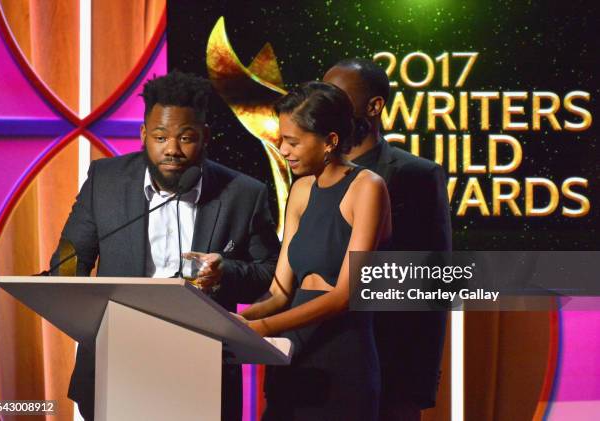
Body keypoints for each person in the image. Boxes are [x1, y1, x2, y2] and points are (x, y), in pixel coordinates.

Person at [50, 71, 281, 421]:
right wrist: (67, 292)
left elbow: (269, 271)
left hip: (202, 367)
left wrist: (225, 273)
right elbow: (70, 257)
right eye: (160, 137)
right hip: (118, 362)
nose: (171, 149)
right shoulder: (106, 181)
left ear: (205, 137)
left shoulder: (244, 194)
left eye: (186, 138)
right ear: (144, 135)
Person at [237, 81, 392, 420]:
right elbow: (279, 292)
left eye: (292, 141)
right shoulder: (301, 190)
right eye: (282, 139)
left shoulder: (367, 188)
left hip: (342, 356)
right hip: (292, 350)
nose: (282, 149)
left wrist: (264, 328)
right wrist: (234, 321)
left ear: (329, 141)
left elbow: (345, 295)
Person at [323, 58, 453, 420]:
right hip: (313, 366)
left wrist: (418, 385)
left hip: (387, 371)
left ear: (374, 106)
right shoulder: (310, 172)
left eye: (337, 97)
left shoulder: (416, 175)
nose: (326, 106)